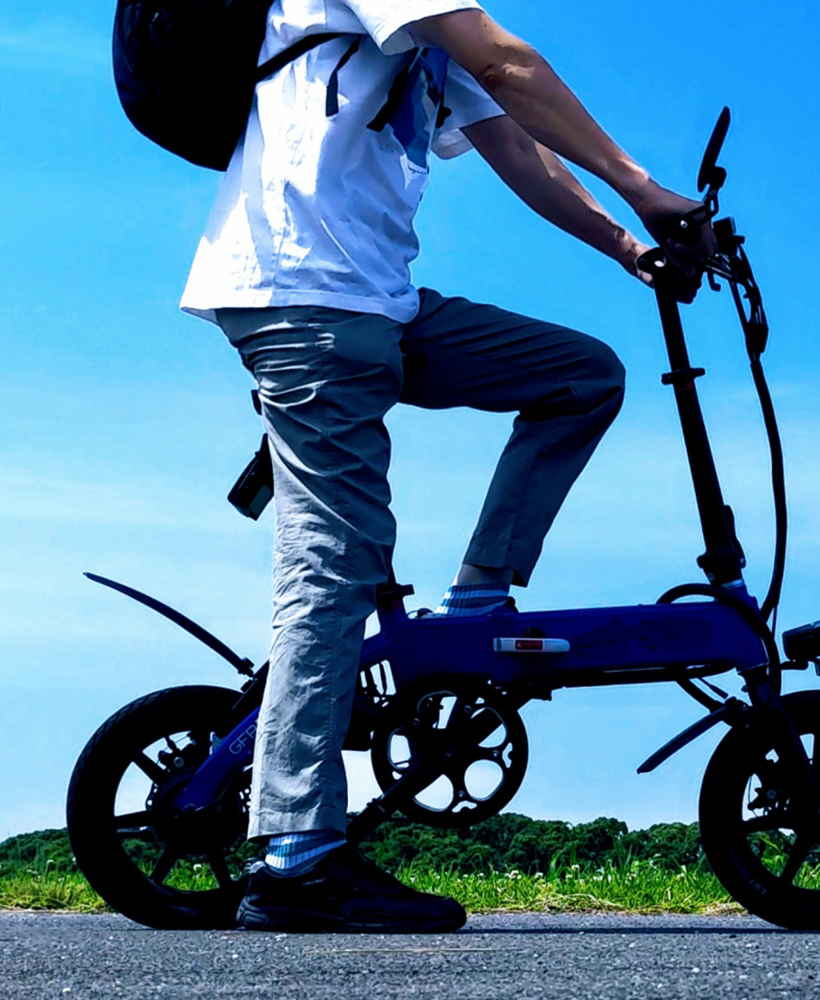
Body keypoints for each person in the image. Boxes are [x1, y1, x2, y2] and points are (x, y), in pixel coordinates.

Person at [179, 0, 713, 933]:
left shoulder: (421, 33)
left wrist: (629, 249)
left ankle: (475, 609)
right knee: (335, 565)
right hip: (306, 302)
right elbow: (510, 63)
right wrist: (644, 187)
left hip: (377, 307)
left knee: (581, 376)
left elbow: (517, 147)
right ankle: (296, 856)